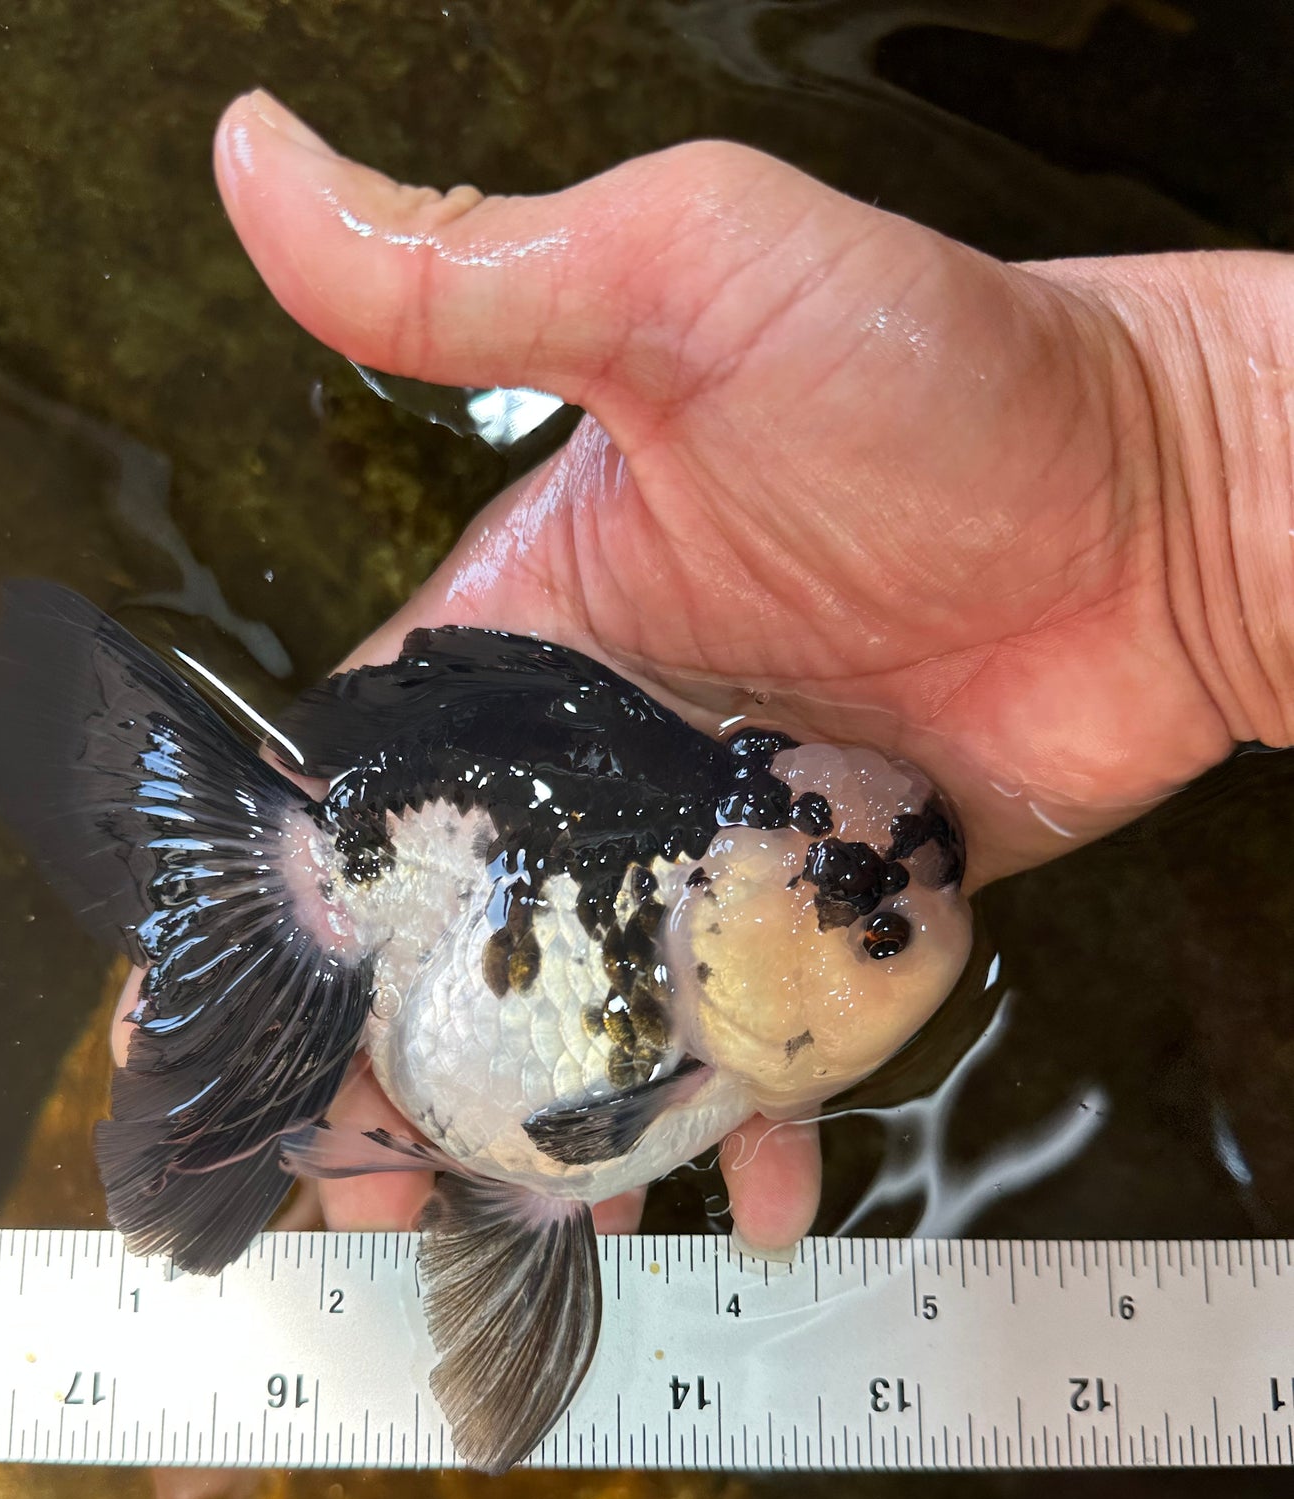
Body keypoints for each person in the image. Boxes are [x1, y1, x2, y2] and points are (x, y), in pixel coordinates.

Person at [122, 90, 1292, 1252]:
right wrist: (1180, 444)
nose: (910, 889)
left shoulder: (705, 946)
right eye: (878, 933)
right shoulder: (681, 896)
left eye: (878, 926)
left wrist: (1184, 441)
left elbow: (576, 1124)